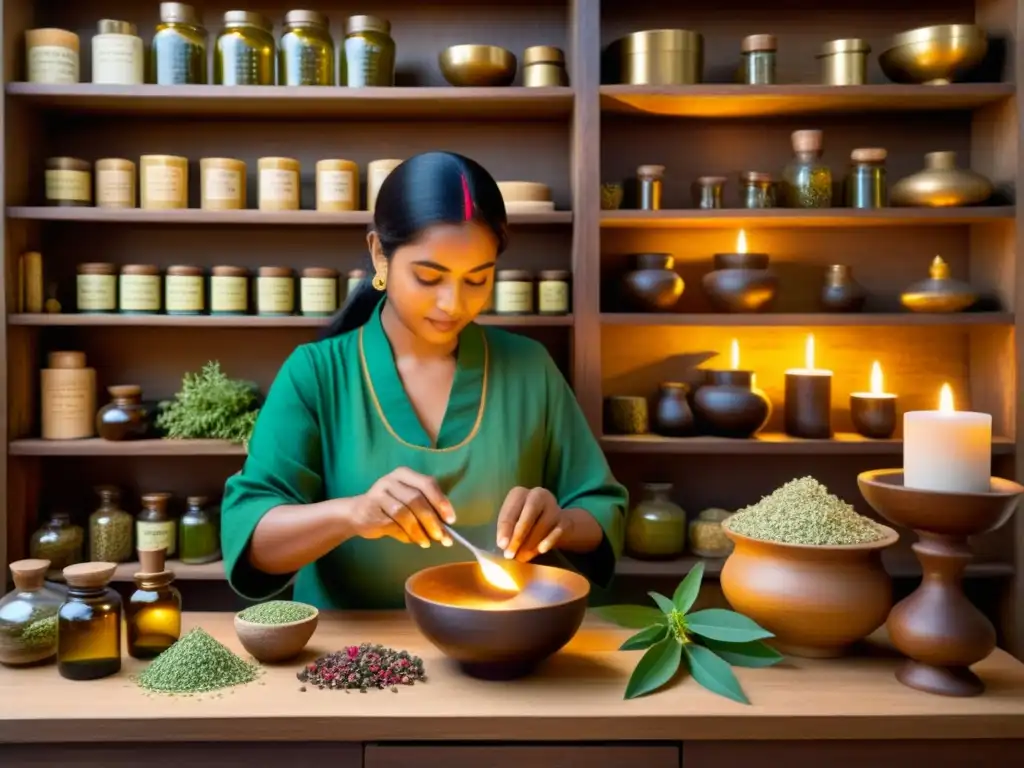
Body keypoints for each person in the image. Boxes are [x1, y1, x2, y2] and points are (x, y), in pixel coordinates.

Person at [220, 151, 627, 609]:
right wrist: (353, 514)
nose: (453, 304)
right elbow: (252, 537)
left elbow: (600, 510)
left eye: (477, 280)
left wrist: (561, 524)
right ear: (379, 253)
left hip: (502, 646)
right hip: (352, 657)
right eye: (429, 277)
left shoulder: (529, 368)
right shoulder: (316, 373)